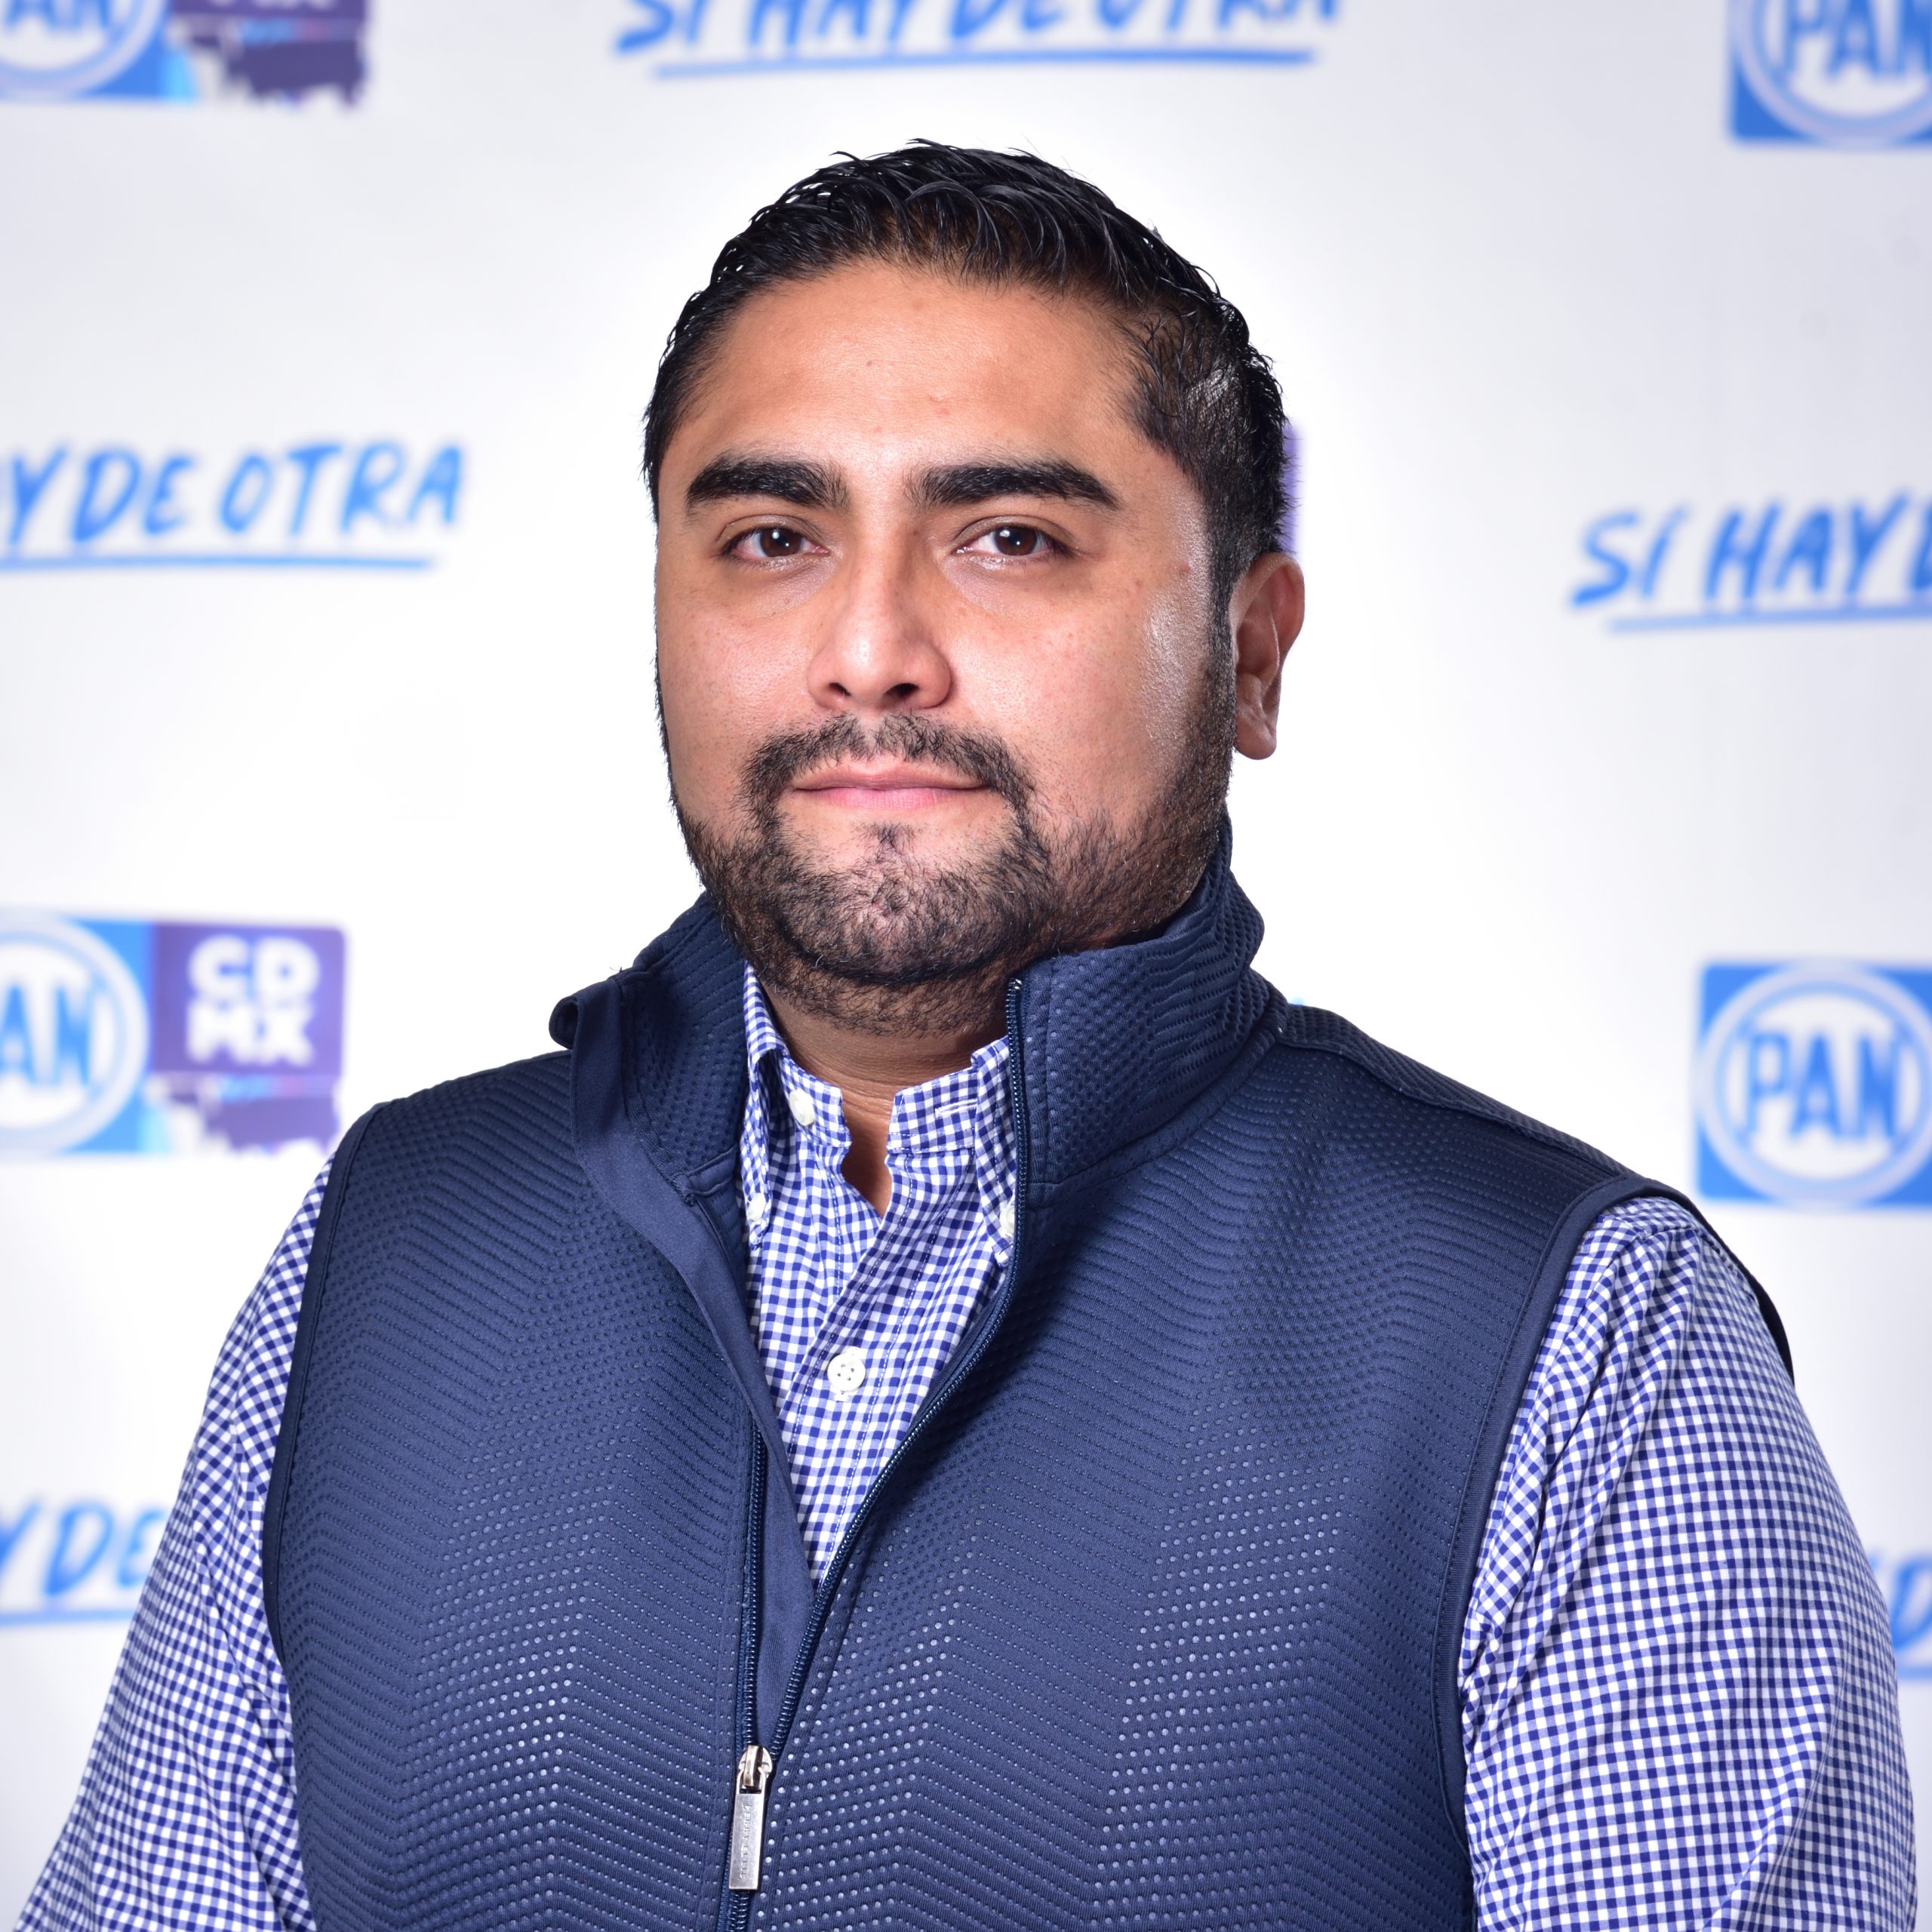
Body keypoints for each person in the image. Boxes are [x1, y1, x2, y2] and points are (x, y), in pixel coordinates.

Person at [23, 143, 1915, 1932]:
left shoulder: (1568, 1332)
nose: (868, 647)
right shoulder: (391, 1251)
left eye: (1007, 536)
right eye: (772, 534)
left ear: (1248, 652)